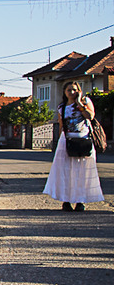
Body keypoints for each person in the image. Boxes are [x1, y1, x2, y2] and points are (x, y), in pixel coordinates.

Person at [43, 81, 104, 211]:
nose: (72, 92)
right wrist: (59, 142)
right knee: (65, 172)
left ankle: (80, 201)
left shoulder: (85, 102)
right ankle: (66, 200)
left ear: (79, 91)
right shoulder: (62, 107)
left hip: (83, 140)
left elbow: (90, 116)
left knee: (81, 172)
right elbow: (61, 125)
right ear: (64, 92)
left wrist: (79, 103)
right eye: (69, 90)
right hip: (67, 140)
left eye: (74, 90)